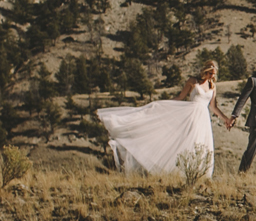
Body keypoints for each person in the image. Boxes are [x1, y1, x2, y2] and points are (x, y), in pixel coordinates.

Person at [96, 59, 224, 177]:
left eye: (214, 74)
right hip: (190, 115)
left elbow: (213, 107)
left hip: (203, 119)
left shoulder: (213, 86)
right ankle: (180, 171)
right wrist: (164, 104)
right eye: (210, 73)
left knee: (201, 143)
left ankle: (198, 173)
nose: (212, 76)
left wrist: (226, 120)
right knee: (186, 142)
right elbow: (180, 97)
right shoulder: (193, 81)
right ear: (205, 71)